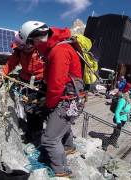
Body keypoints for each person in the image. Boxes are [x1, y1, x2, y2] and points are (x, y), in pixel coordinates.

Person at [18, 21, 83, 177]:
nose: (33, 46)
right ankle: (68, 147)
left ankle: (61, 170)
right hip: (71, 98)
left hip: (68, 100)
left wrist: (48, 105)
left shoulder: (58, 51)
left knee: (49, 138)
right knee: (61, 122)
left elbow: (56, 85)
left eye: (32, 42)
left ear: (37, 39)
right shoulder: (58, 47)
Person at [0, 34, 45, 143]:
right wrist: (0, 77)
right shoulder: (19, 51)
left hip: (41, 82)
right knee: (30, 108)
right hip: (27, 81)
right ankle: (32, 132)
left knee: (37, 109)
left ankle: (37, 133)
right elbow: (10, 64)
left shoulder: (41, 50)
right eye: (21, 47)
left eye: (24, 47)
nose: (24, 49)